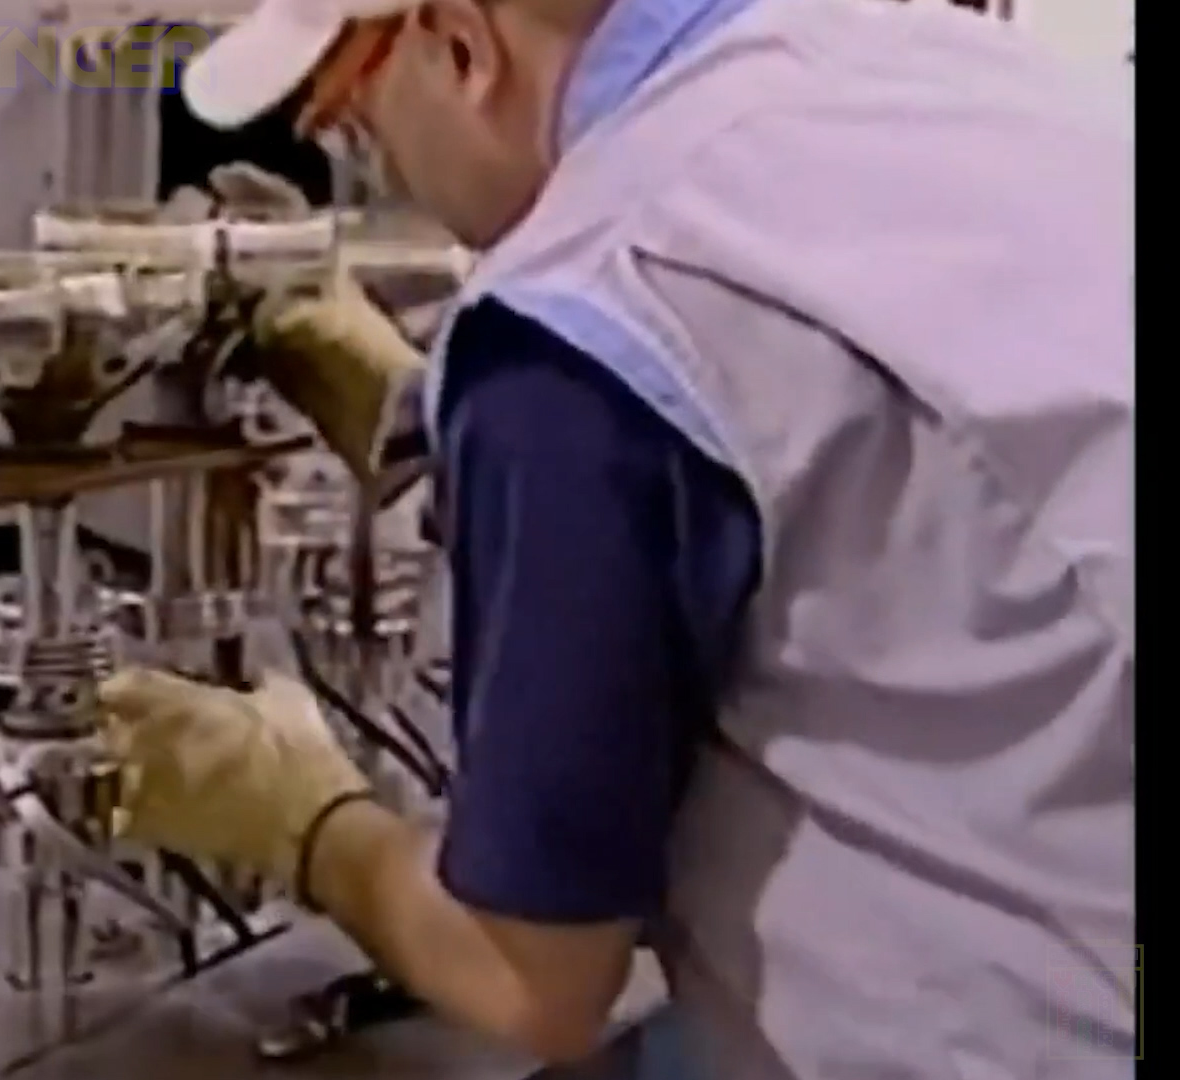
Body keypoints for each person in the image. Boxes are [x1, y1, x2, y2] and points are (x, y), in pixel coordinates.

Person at [95, 0, 1135, 1077]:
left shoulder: (590, 300)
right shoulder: (917, 63)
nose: (384, 171)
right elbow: (871, 471)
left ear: (461, 42)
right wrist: (431, 424)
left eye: (360, 125)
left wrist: (304, 822)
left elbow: (526, 978)